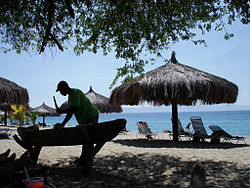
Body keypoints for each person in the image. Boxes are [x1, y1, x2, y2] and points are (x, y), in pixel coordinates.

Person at [55, 80, 104, 175]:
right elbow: (70, 113)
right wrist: (63, 124)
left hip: (92, 114)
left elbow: (74, 108)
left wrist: (61, 112)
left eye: (60, 91)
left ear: (65, 88)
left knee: (89, 138)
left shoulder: (75, 92)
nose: (60, 93)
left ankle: (87, 160)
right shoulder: (70, 97)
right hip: (85, 119)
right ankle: (83, 158)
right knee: (85, 137)